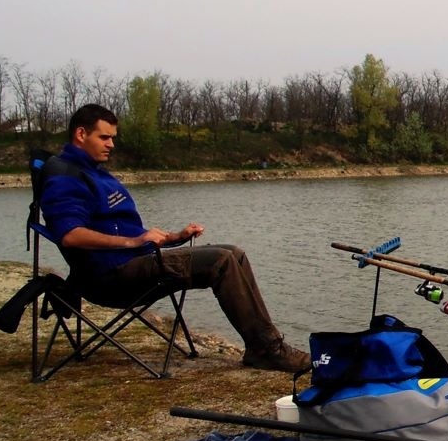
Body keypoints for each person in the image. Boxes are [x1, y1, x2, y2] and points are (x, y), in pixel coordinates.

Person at [39, 103, 310, 372]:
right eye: (104, 137)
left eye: (113, 138)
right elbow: (70, 235)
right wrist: (133, 243)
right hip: (110, 277)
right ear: (81, 134)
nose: (111, 145)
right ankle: (268, 350)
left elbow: (130, 232)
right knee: (222, 261)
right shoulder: (65, 177)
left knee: (234, 253)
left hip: (133, 263)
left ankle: (260, 346)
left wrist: (173, 237)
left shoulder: (98, 174)